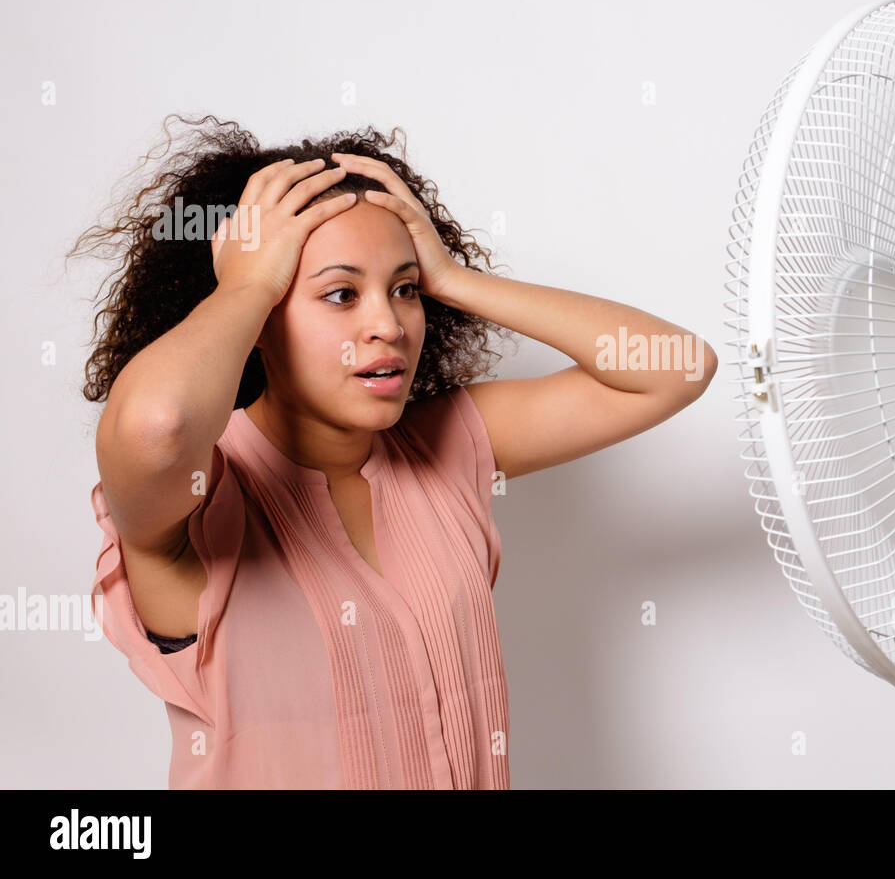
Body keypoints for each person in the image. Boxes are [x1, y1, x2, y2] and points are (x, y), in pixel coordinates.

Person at [71, 115, 717, 788]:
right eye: (341, 294)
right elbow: (157, 423)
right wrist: (244, 286)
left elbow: (676, 367)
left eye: (403, 291)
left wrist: (452, 278)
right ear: (257, 323)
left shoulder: (447, 449)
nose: (387, 325)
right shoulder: (199, 502)